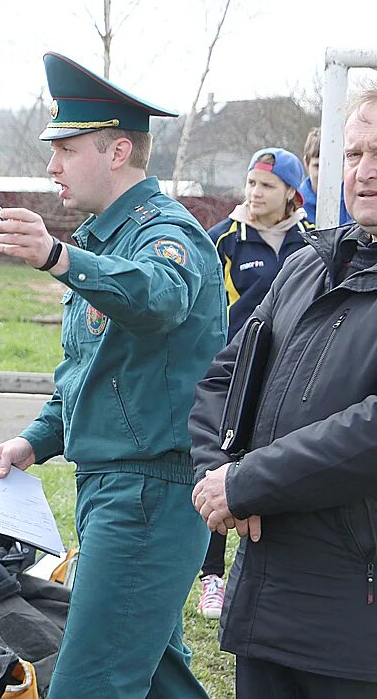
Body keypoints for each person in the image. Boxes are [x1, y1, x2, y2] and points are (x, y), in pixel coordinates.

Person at [0, 52, 224, 698]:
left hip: (149, 493)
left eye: (66, 148)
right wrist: (34, 440)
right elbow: (92, 370)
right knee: (156, 679)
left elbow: (159, 297)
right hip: (117, 489)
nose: (51, 165)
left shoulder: (164, 233)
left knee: (89, 684)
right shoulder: (108, 239)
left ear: (118, 151)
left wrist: (61, 257)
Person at [190, 86, 377, 697]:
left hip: (355, 624)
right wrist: (219, 473)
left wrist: (249, 483)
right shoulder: (307, 267)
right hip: (267, 607)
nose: (364, 172)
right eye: (352, 154)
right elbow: (226, 375)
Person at [196, 147, 314, 619]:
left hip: (288, 376)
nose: (255, 193)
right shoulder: (224, 238)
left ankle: (267, 569)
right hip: (235, 375)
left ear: (291, 193)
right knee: (223, 466)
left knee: (268, 468)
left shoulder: (309, 240)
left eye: (266, 185)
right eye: (251, 183)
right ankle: (212, 577)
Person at [299, 126, 352, 226]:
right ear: (306, 163)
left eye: (334, 167)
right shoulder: (295, 205)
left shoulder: (353, 201)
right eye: (318, 166)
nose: (326, 175)